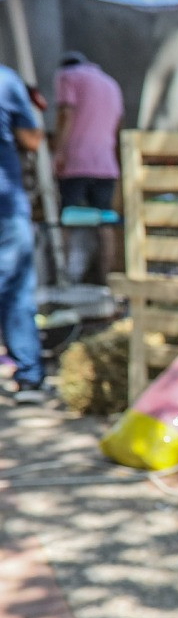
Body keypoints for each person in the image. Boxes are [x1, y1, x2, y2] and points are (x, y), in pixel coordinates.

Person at [0, 62, 44, 404]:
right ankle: (28, 374)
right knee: (15, 286)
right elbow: (31, 139)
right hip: (6, 202)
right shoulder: (6, 79)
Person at [52, 52, 123, 211]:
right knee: (104, 219)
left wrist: (58, 152)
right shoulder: (111, 83)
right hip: (106, 165)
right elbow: (118, 124)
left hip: (76, 162)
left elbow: (65, 115)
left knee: (67, 217)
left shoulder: (66, 76)